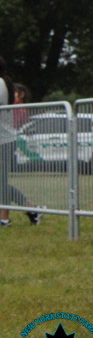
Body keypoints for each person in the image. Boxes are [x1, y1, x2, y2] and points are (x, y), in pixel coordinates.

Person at [0, 58, 40, 227]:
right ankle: (30, 208)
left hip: (3, 140)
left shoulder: (1, 83)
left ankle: (5, 218)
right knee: (1, 182)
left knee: (1, 182)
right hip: (4, 139)